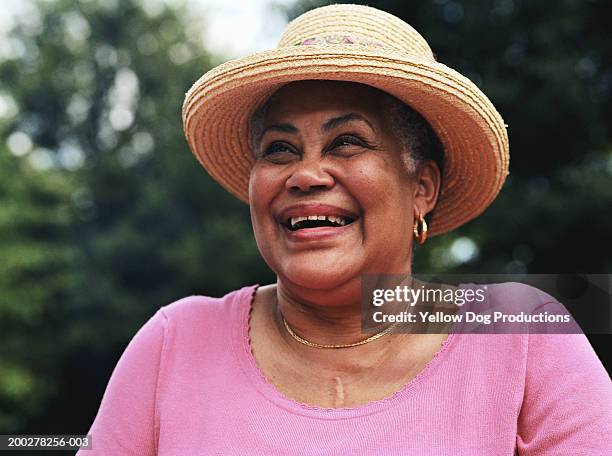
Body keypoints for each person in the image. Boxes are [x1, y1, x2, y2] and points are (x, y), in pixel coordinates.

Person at [80, 4, 612, 455]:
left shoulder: (522, 333)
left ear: (422, 188)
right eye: (280, 150)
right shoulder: (176, 342)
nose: (305, 175)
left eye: (348, 142)